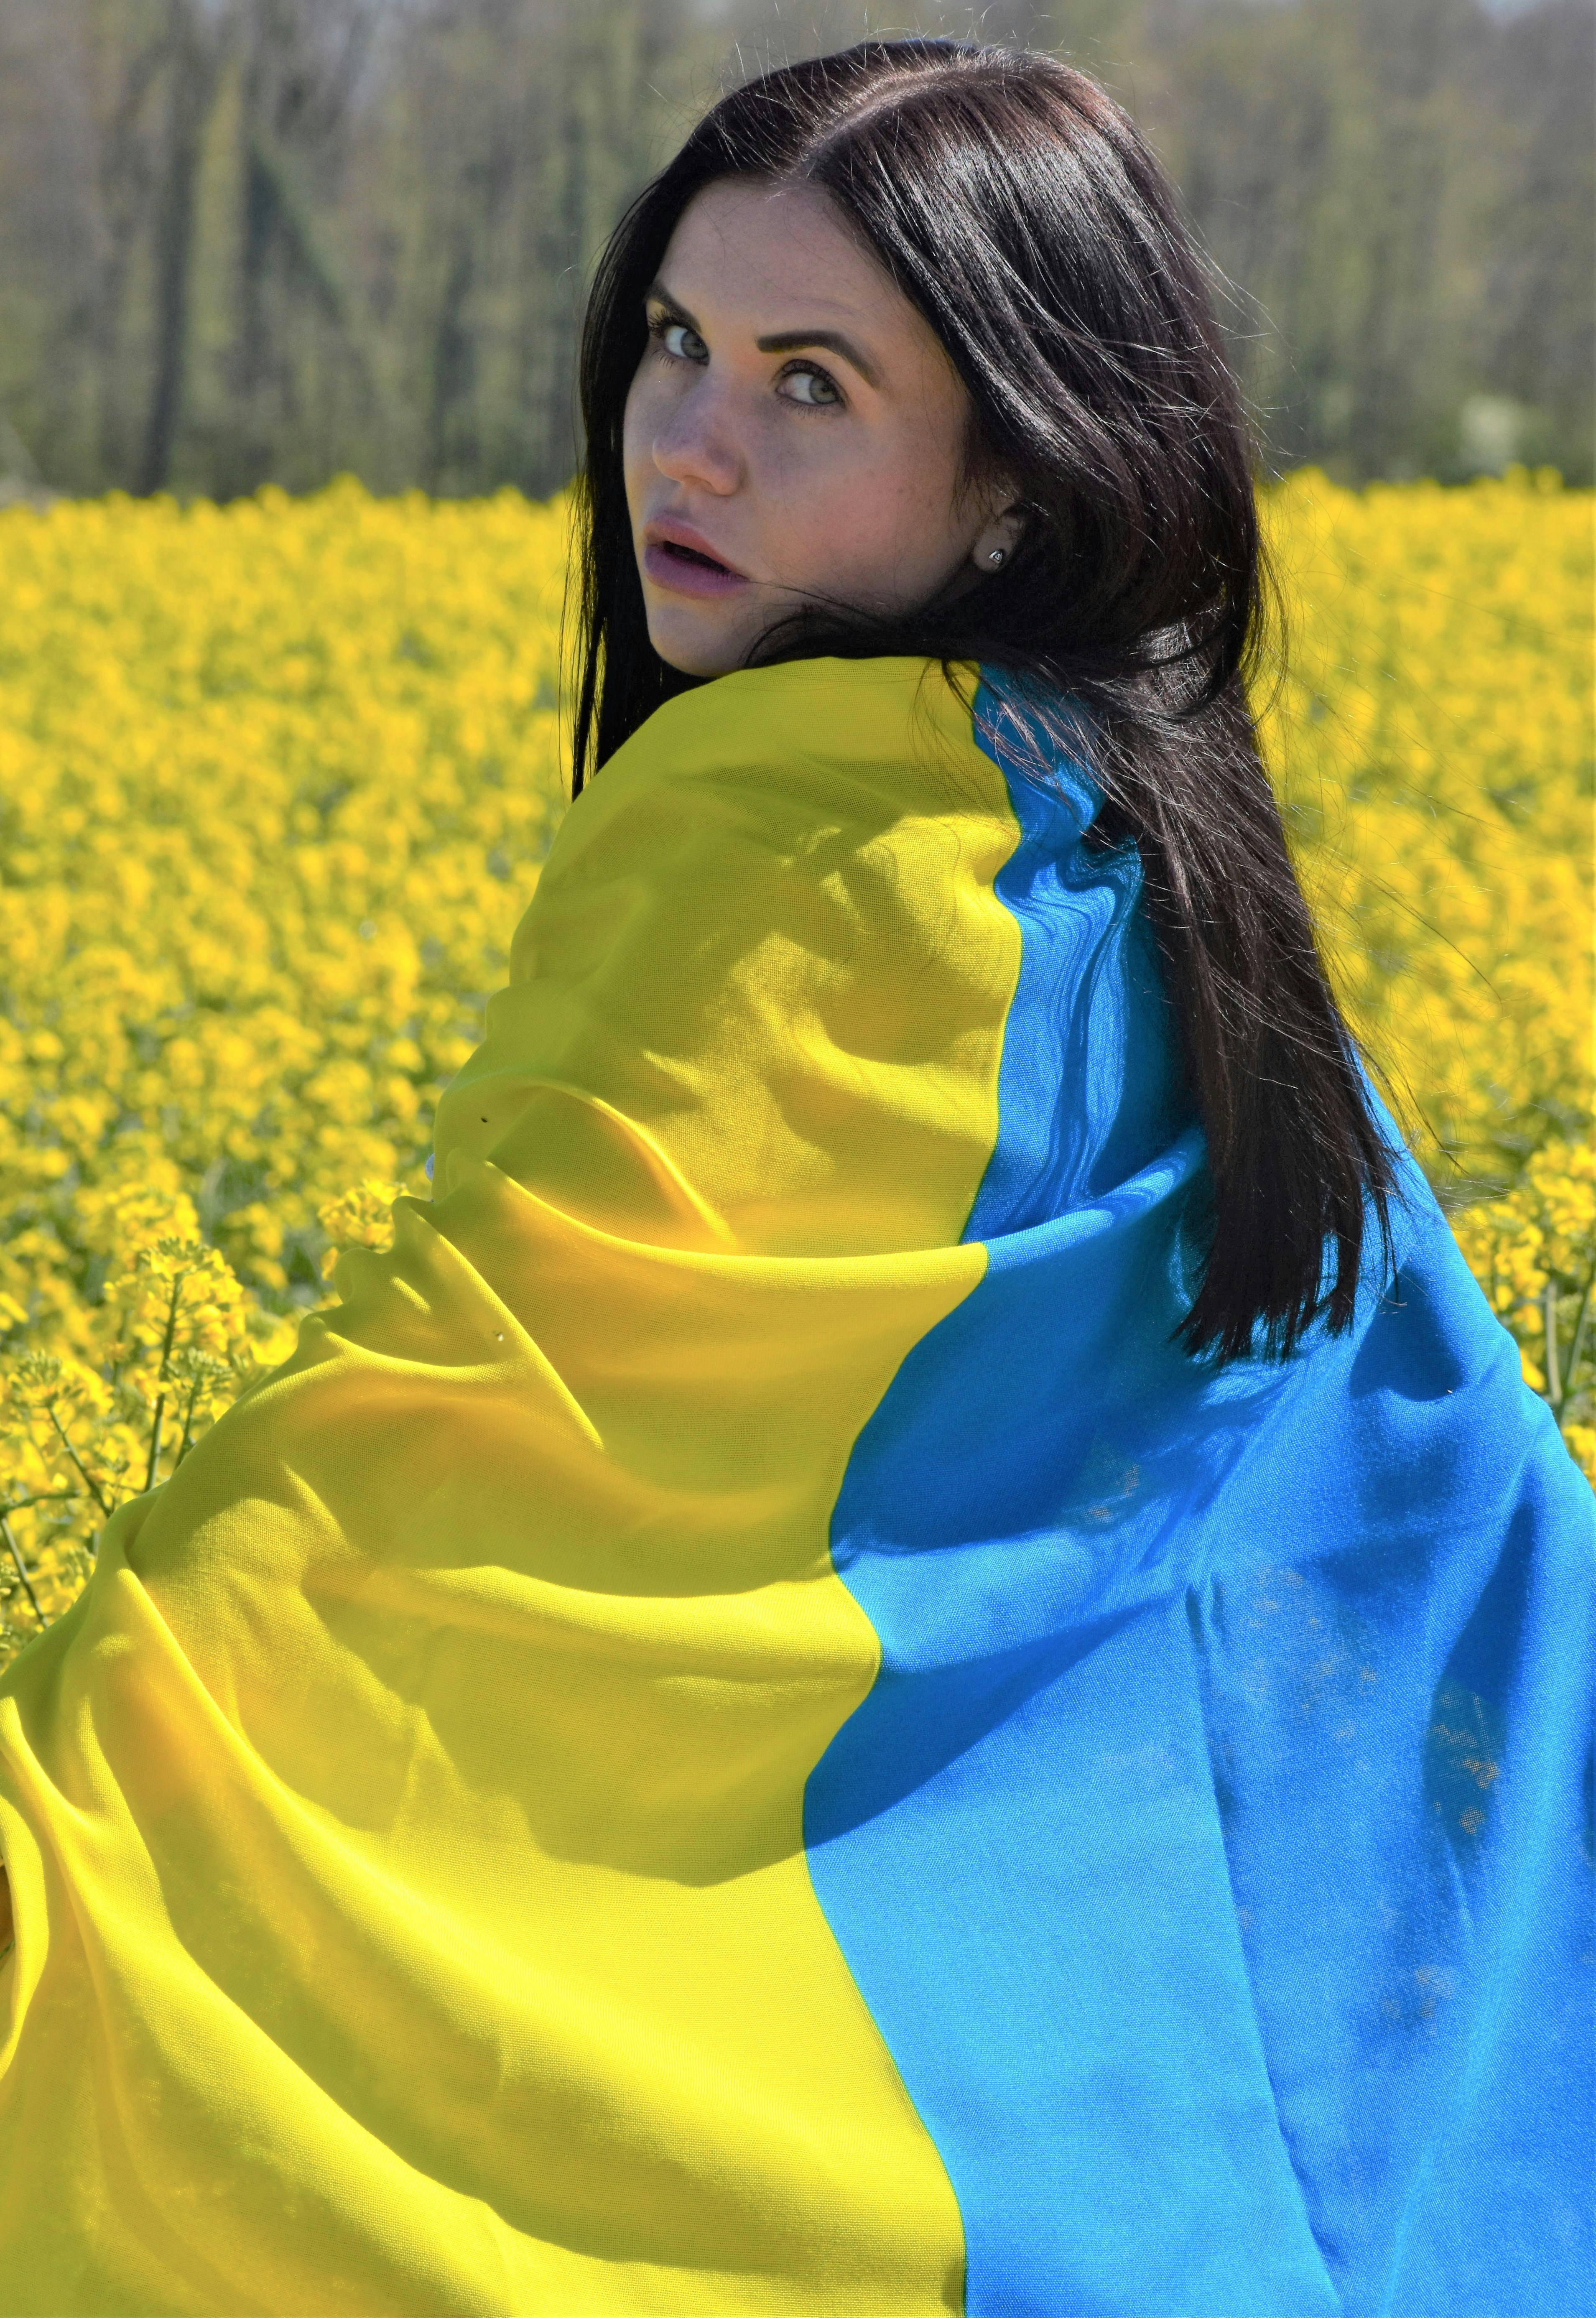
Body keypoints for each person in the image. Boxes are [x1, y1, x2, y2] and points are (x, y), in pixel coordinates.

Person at [0, 38, 1588, 2317]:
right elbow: (1441, 1485)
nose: (690, 441)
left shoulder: (794, 844)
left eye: (810, 384)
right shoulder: (1122, 834)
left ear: (1018, 478)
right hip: (1184, 2111)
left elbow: (436, 1432)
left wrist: (66, 1815)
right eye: (677, 342)